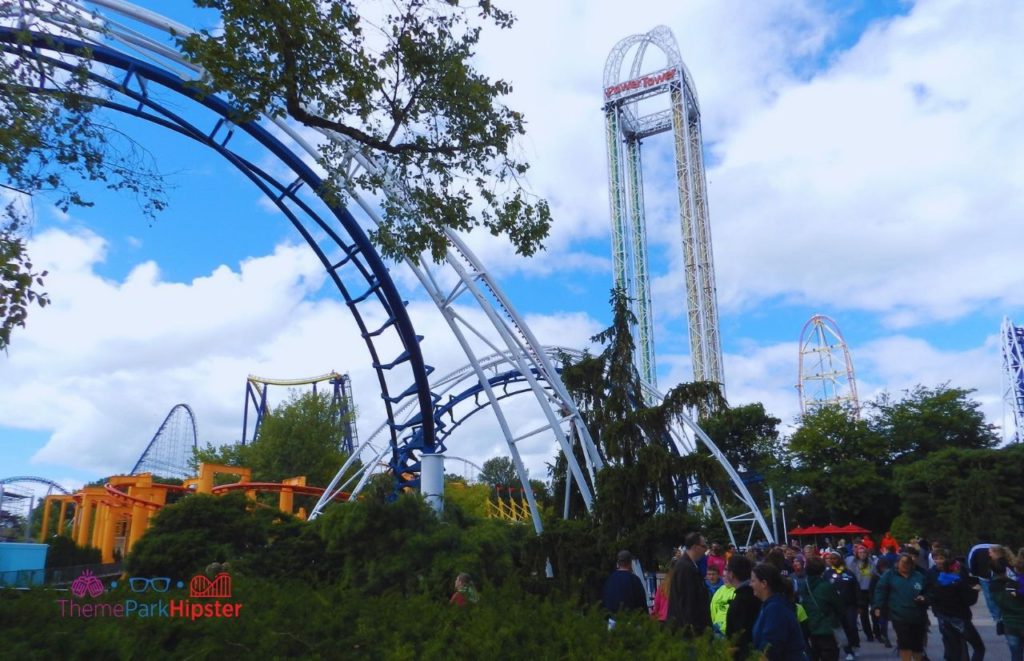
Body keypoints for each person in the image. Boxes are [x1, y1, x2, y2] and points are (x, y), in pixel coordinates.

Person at [923, 547, 983, 661]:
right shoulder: (955, 581)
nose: (939, 561)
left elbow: (931, 594)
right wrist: (974, 591)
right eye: (936, 558)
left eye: (941, 558)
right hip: (957, 617)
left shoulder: (939, 580)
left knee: (954, 645)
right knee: (976, 647)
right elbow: (969, 599)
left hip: (944, 615)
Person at [874, 553, 929, 661]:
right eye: (903, 562)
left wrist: (925, 598)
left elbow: (929, 592)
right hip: (899, 615)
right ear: (897, 563)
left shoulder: (919, 576)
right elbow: (880, 590)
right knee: (905, 644)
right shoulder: (889, 575)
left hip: (918, 616)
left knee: (917, 646)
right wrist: (878, 606)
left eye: (908, 563)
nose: (905, 565)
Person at [751, 563, 810, 660]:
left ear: (764, 583)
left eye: (753, 580)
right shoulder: (769, 605)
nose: (750, 584)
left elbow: (771, 647)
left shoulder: (775, 609)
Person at [667, 531, 712, 636]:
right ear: (695, 547)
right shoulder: (686, 568)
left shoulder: (689, 565)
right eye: (704, 546)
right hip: (689, 632)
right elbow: (688, 602)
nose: (706, 550)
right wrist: (695, 630)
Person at [801, 556, 843, 661]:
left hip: (809, 628)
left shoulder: (803, 586)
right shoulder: (826, 586)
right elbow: (839, 606)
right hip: (826, 628)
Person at [825, 550, 860, 660]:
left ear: (840, 559)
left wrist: (859, 605)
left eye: (834, 558)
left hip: (849, 606)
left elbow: (856, 590)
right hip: (834, 607)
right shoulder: (827, 574)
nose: (831, 560)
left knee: (851, 626)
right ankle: (847, 650)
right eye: (830, 558)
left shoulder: (849, 573)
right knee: (839, 629)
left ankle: (854, 645)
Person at [726, 554, 762, 659]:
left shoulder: (740, 601)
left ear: (731, 574)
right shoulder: (756, 594)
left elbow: (739, 637)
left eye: (726, 570)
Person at [991, 551, 1023, 661]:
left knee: (1016, 654)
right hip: (1019, 621)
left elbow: (998, 604)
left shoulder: (995, 586)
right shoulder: (1016, 584)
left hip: (1010, 624)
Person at [601, 549, 647, 617]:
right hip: (629, 621)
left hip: (612, 621)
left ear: (618, 563)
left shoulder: (610, 579)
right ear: (630, 563)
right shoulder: (634, 580)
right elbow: (642, 604)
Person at [846, 545, 877, 644]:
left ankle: (878, 632)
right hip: (860, 591)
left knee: (874, 612)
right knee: (864, 615)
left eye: (864, 552)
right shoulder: (853, 563)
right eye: (860, 552)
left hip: (870, 590)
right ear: (857, 554)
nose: (862, 554)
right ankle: (869, 634)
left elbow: (875, 574)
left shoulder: (871, 562)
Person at [710, 561, 738, 638]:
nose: (724, 578)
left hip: (726, 632)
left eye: (726, 576)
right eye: (723, 576)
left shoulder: (736, 591)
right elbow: (713, 608)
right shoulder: (720, 589)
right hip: (715, 627)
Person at [870, 556, 893, 648]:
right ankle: (878, 634)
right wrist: (873, 603)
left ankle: (885, 635)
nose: (884, 569)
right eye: (882, 567)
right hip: (877, 601)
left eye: (886, 567)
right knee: (876, 620)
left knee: (884, 620)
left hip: (887, 602)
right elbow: (871, 591)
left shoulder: (890, 576)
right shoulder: (875, 576)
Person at [651, 558, 676, 623]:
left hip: (662, 618)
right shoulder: (682, 585)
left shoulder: (663, 585)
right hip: (675, 620)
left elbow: (656, 604)